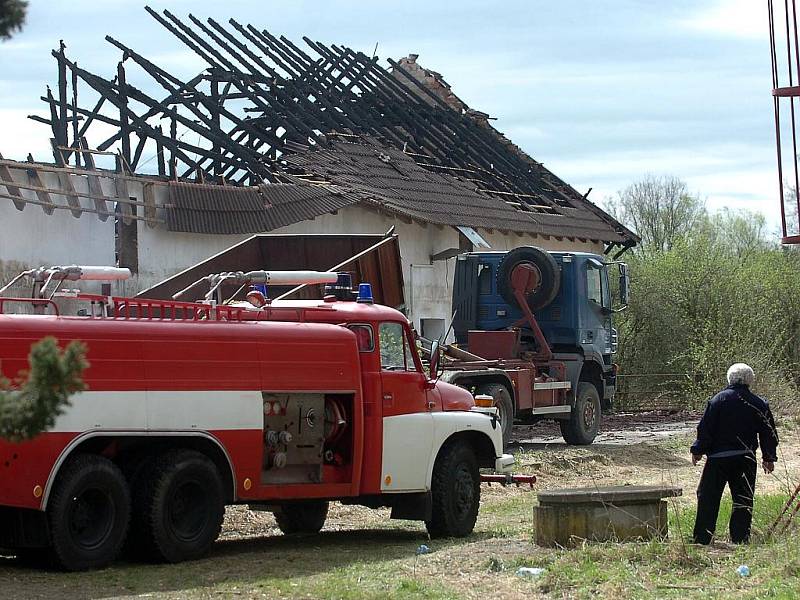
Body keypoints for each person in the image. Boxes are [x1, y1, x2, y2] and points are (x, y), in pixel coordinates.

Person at [690, 363, 779, 544]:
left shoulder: (718, 400)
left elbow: (706, 428)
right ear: (750, 380)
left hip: (718, 460)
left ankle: (703, 538)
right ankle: (740, 538)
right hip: (745, 458)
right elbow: (768, 433)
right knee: (743, 499)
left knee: (708, 497)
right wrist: (769, 457)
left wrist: (698, 450)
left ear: (729, 379)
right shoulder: (758, 403)